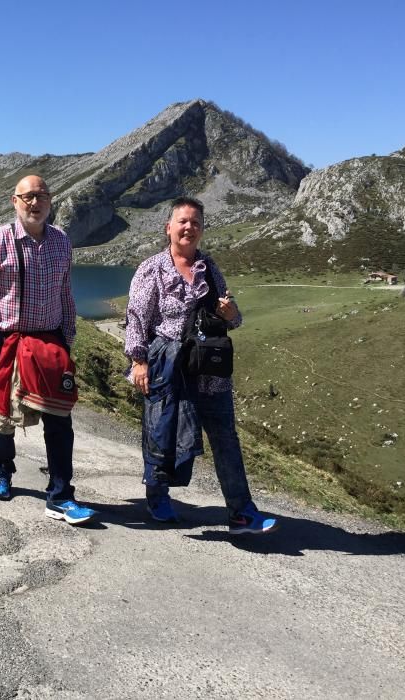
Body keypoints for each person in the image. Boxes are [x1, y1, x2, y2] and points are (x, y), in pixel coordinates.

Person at [124, 196, 279, 534]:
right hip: (169, 367)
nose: (189, 227)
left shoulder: (209, 267)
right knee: (160, 430)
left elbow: (233, 318)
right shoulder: (152, 268)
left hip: (210, 370)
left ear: (202, 230)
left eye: (196, 223)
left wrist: (230, 313)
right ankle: (158, 496)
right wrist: (138, 361)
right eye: (183, 221)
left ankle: (241, 512)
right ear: (169, 228)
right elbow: (136, 318)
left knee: (225, 436)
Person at [0, 175, 95, 525]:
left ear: (50, 202)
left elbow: (66, 295)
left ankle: (61, 496)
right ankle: (2, 470)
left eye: (42, 197)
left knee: (59, 417)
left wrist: (67, 342)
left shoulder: (61, 242)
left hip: (50, 340)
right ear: (14, 201)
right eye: (28, 197)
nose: (35, 203)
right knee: (3, 416)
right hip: (7, 341)